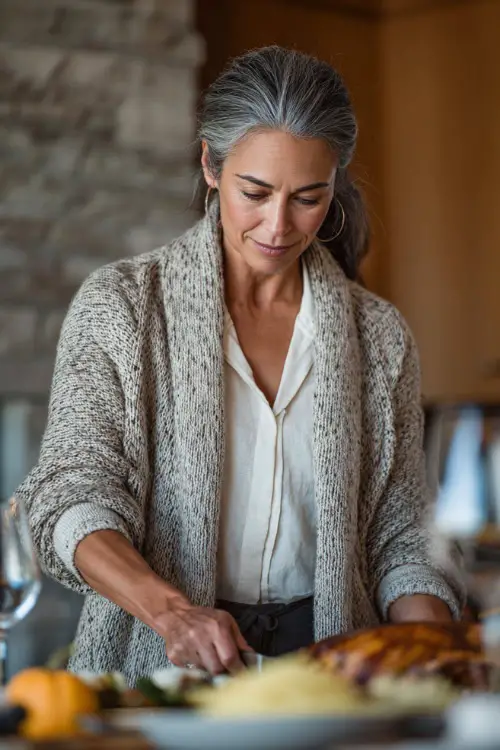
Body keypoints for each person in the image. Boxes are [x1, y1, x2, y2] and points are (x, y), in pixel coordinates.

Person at [17, 46, 463, 686]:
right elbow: (69, 497)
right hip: (161, 661)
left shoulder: (379, 336)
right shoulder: (121, 309)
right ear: (210, 165)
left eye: (309, 197)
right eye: (255, 192)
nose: (278, 226)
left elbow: (403, 536)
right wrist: (173, 613)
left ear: (335, 181)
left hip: (333, 670)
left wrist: (432, 650)